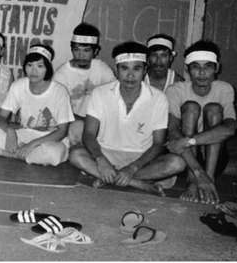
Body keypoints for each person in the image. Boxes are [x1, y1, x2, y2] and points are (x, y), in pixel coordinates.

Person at [68, 41, 186, 196]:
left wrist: (132, 168)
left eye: (136, 68)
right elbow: (89, 134)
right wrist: (101, 160)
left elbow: (158, 144)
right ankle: (136, 183)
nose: (130, 75)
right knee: (76, 155)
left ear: (145, 70)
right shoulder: (100, 93)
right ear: (116, 70)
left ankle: (110, 177)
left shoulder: (158, 98)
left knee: (177, 163)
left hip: (142, 159)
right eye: (124, 68)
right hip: (107, 153)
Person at [165, 40, 237, 205]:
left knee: (214, 109)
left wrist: (189, 140)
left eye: (208, 66)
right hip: (186, 158)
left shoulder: (224, 88)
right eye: (196, 66)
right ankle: (193, 180)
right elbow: (173, 131)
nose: (202, 73)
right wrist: (198, 173)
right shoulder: (176, 90)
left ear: (216, 68)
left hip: (214, 158)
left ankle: (209, 179)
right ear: (187, 69)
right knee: (191, 107)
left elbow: (229, 129)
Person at [0, 44, 73, 166]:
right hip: (25, 134)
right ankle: (24, 153)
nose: (33, 71)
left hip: (50, 139)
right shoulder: (19, 85)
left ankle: (12, 154)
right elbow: (0, 117)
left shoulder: (60, 91)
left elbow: (61, 132)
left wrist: (32, 145)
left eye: (40, 66)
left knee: (53, 153)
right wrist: (10, 130)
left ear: (47, 68)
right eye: (29, 65)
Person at [53, 23, 116, 146]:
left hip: (97, 122)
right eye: (77, 50)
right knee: (78, 127)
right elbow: (60, 111)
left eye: (86, 50)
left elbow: (115, 96)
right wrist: (86, 122)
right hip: (72, 122)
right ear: (72, 49)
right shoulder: (61, 74)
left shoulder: (101, 68)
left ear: (95, 51)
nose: (81, 55)